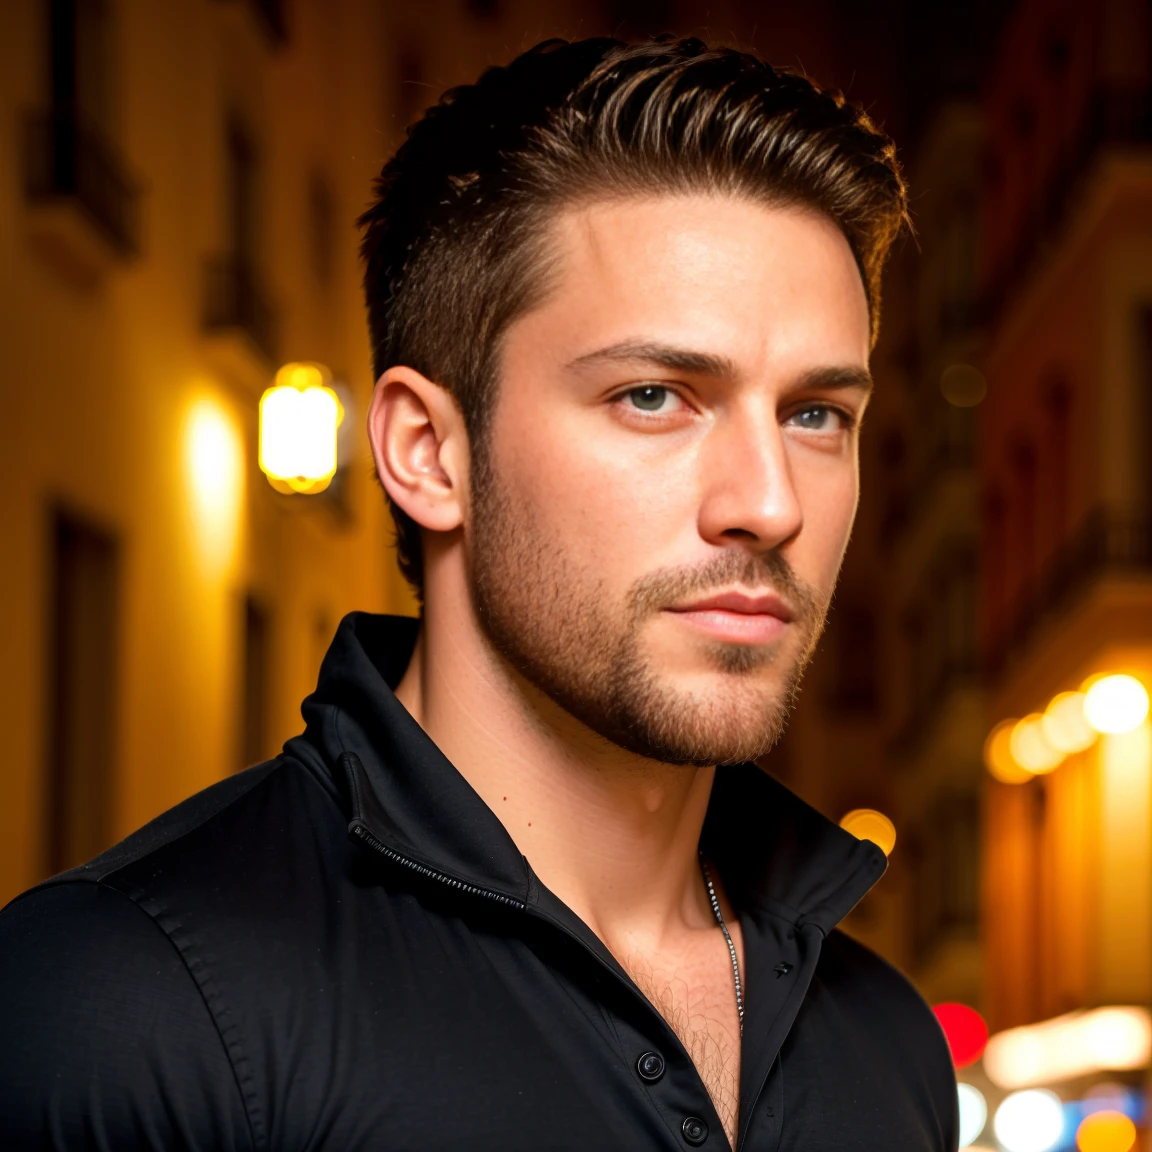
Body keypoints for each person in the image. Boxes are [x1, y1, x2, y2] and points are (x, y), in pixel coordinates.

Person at [0, 36, 958, 1151]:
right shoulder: (123, 1007)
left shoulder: (889, 1045)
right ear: (429, 453)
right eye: (655, 396)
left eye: (814, 415)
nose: (770, 502)